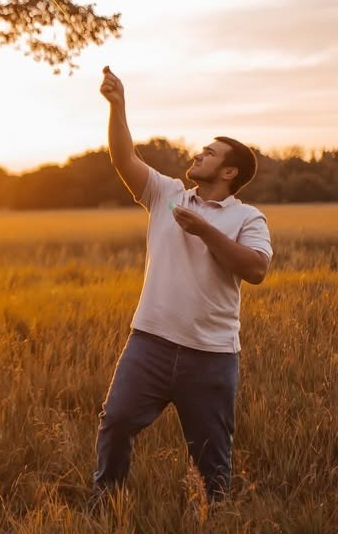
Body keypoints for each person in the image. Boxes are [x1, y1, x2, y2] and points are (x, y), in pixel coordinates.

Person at [93, 66, 273, 502]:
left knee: (213, 459)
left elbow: (256, 270)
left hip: (211, 354)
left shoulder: (247, 218)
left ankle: (217, 517)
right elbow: (123, 159)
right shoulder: (167, 194)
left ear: (229, 172)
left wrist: (205, 231)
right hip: (149, 343)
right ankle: (105, 503)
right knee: (116, 421)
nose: (199, 154)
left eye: (209, 153)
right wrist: (118, 106)